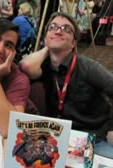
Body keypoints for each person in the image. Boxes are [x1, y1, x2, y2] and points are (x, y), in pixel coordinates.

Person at [19, 12, 113, 158]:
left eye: (66, 29)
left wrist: (109, 127)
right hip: (55, 136)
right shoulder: (43, 65)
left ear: (74, 43)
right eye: (53, 27)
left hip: (88, 137)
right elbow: (25, 65)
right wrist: (48, 46)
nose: (58, 30)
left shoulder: (89, 68)